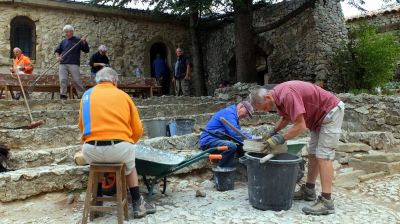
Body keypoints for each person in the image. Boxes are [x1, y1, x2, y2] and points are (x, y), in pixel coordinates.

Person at [249, 80, 345, 216]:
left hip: (330, 112)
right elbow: (286, 117)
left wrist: (279, 139)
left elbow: (301, 126)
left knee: (324, 156)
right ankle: (309, 191)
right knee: (313, 154)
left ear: (268, 97)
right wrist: (272, 132)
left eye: (264, 108)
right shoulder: (278, 96)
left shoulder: (286, 94)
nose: (265, 111)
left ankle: (327, 202)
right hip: (318, 118)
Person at [79, 67, 156, 219]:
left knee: (99, 165)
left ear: (97, 80)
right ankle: (137, 204)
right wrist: (129, 143)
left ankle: (98, 204)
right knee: (130, 167)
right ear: (114, 81)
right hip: (119, 148)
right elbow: (138, 129)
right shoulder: (123, 96)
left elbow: (81, 125)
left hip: (90, 150)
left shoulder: (86, 96)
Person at [199, 101, 254, 168]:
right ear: (240, 107)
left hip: (218, 140)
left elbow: (238, 131)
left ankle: (242, 169)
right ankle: (223, 170)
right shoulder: (229, 113)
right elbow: (235, 133)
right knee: (231, 146)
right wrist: (252, 138)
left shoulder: (233, 114)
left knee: (242, 147)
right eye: (246, 112)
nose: (246, 115)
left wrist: (251, 138)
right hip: (209, 141)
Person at [55, 24, 89, 99]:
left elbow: (86, 50)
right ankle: (63, 95)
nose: (65, 33)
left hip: (74, 63)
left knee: (77, 80)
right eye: (65, 32)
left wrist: (84, 42)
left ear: (72, 32)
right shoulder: (63, 41)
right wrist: (57, 57)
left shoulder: (78, 40)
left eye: (67, 32)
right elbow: (57, 50)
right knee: (63, 80)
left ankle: (81, 95)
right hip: (63, 63)